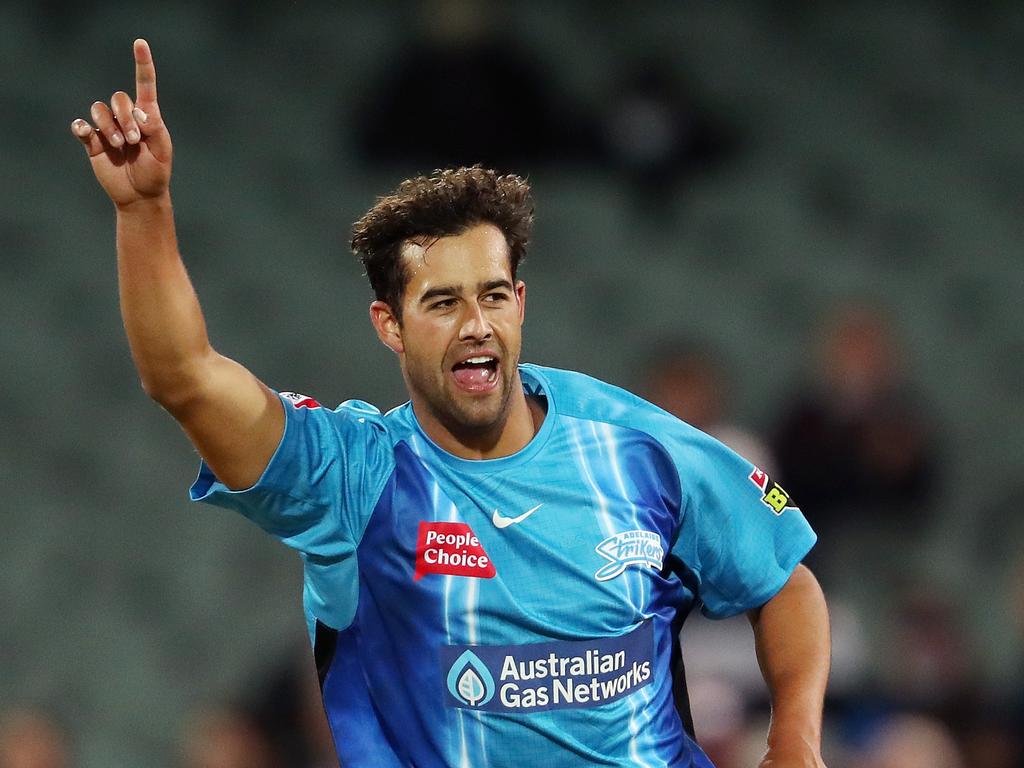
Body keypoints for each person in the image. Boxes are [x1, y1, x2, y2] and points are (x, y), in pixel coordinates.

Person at [71, 39, 831, 768]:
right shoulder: (356, 479)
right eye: (441, 303)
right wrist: (144, 214)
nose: (476, 324)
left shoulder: (634, 447)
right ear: (389, 326)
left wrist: (793, 743)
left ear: (521, 304)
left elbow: (783, 579)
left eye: (493, 295)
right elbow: (184, 378)